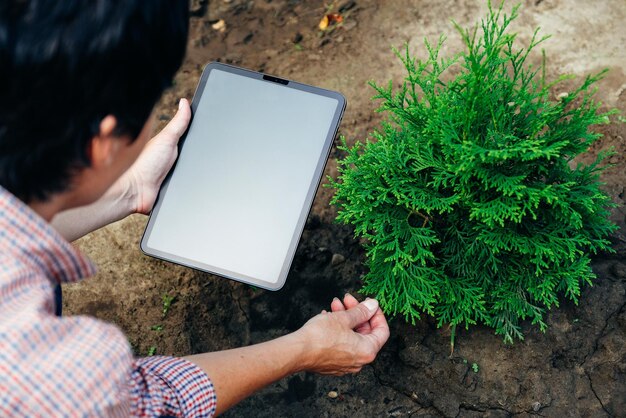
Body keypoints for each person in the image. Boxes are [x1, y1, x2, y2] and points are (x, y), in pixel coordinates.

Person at [0, 1, 390, 416]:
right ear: (105, 142)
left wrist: (133, 188)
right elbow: (149, 404)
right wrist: (304, 349)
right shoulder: (41, 370)